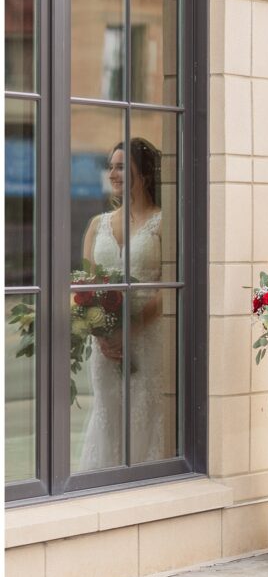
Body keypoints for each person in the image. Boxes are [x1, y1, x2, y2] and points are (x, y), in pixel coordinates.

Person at [78, 138, 166, 471]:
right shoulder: (96, 225)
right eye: (111, 166)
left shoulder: (163, 223)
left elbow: (168, 288)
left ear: (142, 174)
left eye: (121, 167)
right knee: (108, 411)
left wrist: (131, 328)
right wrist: (101, 334)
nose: (113, 173)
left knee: (145, 411)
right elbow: (83, 287)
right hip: (105, 346)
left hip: (148, 338)